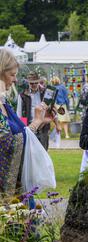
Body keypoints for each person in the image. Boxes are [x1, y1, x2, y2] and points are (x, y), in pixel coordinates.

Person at [0, 48, 54, 195]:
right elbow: (8, 142)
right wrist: (36, 121)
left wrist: (40, 120)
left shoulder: (4, 102)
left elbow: (21, 133)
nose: (16, 80)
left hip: (16, 187)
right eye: (12, 75)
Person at [16, 70, 51, 150]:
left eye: (36, 82)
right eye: (32, 83)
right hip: (30, 128)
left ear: (39, 81)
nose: (34, 85)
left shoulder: (45, 93)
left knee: (44, 153)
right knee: (31, 154)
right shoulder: (22, 95)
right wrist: (24, 130)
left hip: (43, 128)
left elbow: (51, 108)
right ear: (28, 83)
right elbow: (20, 114)